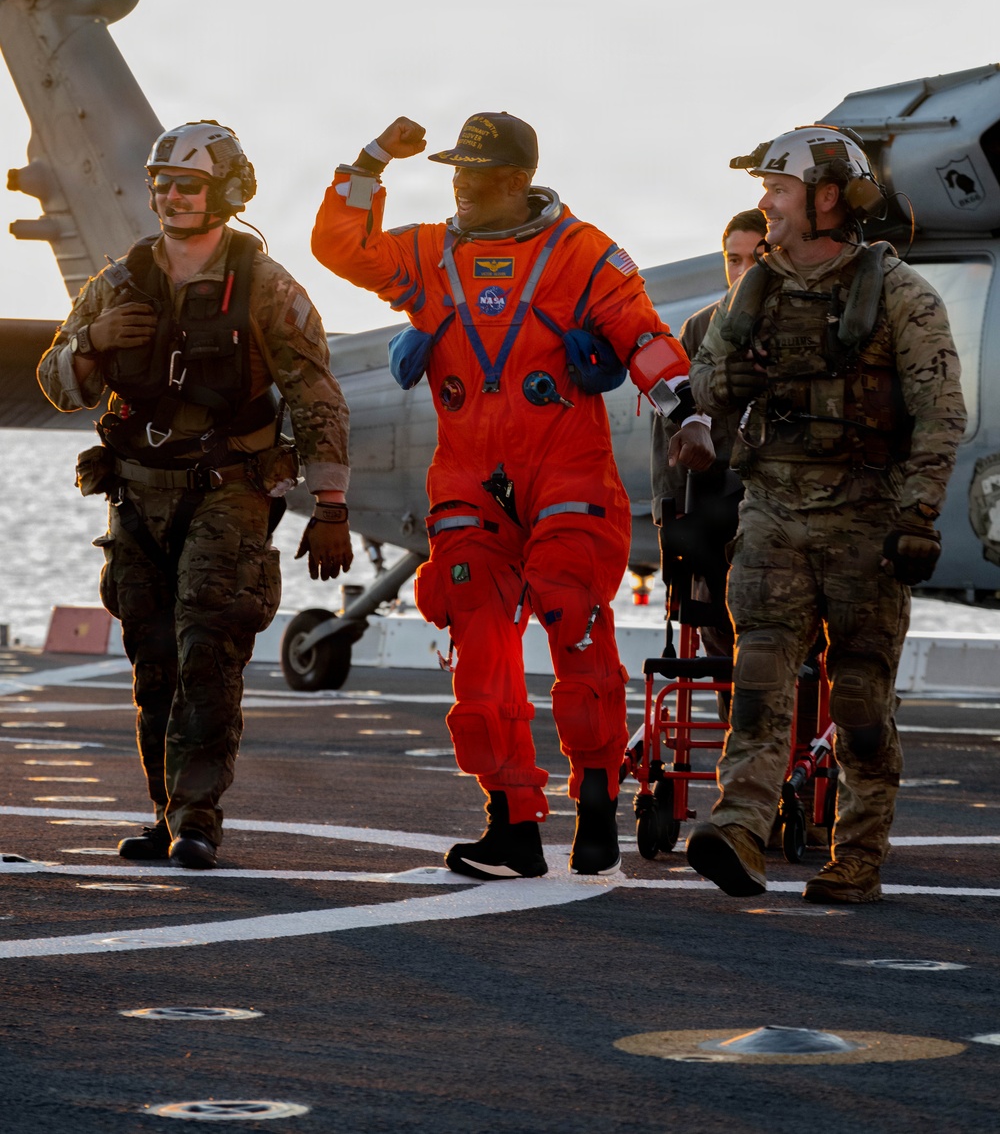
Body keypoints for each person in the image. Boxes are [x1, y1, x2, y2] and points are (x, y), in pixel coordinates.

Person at [311, 111, 713, 878]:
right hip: (467, 475)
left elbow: (641, 333)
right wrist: (368, 163)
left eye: (476, 172)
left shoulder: (582, 253)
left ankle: (595, 798)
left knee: (572, 614)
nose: (459, 184)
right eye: (454, 171)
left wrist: (684, 412)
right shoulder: (429, 254)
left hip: (566, 467)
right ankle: (512, 821)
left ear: (518, 180)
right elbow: (341, 247)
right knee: (477, 636)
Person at [38, 121, 352, 869]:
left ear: (228, 193)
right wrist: (94, 342)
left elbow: (315, 396)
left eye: (189, 184)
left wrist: (332, 504)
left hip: (228, 493)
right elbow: (56, 383)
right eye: (164, 183)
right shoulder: (117, 283)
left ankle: (197, 816)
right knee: (153, 661)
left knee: (209, 653)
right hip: (136, 496)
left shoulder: (268, 288)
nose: (172, 196)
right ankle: (164, 810)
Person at [684, 124, 966, 902]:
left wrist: (917, 514)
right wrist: (724, 387)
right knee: (760, 676)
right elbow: (702, 389)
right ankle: (739, 826)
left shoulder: (902, 294)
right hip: (773, 508)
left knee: (859, 698)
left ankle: (859, 854)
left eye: (779, 190)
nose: (766, 206)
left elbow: (942, 414)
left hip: (867, 523)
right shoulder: (757, 288)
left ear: (828, 198)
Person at [651, 208, 767, 661]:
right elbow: (669, 416)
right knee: (719, 641)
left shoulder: (804, 324)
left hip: (778, 504)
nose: (741, 270)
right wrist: (673, 516)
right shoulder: (699, 328)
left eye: (754, 258)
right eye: (732, 259)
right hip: (713, 504)